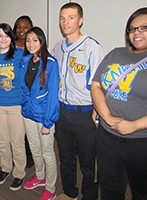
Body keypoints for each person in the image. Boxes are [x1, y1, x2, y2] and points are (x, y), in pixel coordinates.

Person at [91, 7, 147, 200]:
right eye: (132, 29)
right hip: (108, 137)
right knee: (109, 189)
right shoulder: (115, 54)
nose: (136, 33)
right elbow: (96, 86)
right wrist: (106, 116)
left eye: (143, 27)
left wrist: (134, 125)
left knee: (144, 193)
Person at [52, 2, 103, 200]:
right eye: (62, 18)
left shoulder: (92, 47)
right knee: (65, 157)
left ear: (80, 20)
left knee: (88, 161)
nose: (66, 22)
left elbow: (98, 85)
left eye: (71, 17)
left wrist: (98, 110)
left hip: (84, 112)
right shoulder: (58, 48)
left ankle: (89, 195)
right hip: (62, 112)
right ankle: (69, 192)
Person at [21, 27, 60, 200]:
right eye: (28, 40)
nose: (31, 44)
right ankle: (40, 176)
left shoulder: (51, 63)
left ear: (42, 41)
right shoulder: (25, 60)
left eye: (35, 40)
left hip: (44, 116)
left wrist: (48, 122)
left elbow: (53, 96)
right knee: (34, 149)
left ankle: (50, 188)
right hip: (28, 113)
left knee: (47, 153)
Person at [0, 23, 26, 191]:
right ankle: (5, 168)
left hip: (16, 105)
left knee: (17, 142)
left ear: (11, 38)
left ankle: (19, 173)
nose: (3, 38)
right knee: (2, 141)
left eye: (6, 35)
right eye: (0, 35)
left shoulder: (19, 54)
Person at [13, 15, 34, 168]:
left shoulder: (33, 47)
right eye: (19, 26)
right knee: (15, 131)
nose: (21, 30)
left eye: (25, 27)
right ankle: (17, 158)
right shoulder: (10, 46)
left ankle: (30, 157)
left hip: (28, 95)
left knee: (28, 130)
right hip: (13, 95)